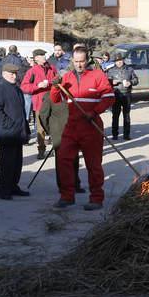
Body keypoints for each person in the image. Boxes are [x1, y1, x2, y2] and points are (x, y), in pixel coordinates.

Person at [50, 47, 114, 210]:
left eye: (82, 61)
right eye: (76, 61)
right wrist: (56, 86)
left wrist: (94, 112)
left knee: (93, 164)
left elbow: (109, 97)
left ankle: (96, 198)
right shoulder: (67, 77)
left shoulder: (97, 76)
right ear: (72, 61)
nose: (79, 64)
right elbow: (56, 99)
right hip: (71, 126)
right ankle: (67, 196)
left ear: (87, 61)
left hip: (91, 126)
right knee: (64, 160)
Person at [0, 63, 31, 200]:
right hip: (7, 134)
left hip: (18, 133)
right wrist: (10, 125)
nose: (14, 76)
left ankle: (13, 186)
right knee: (6, 164)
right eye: (11, 73)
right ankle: (3, 190)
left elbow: (21, 111)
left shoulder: (17, 89)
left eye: (15, 73)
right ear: (4, 74)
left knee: (16, 163)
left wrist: (25, 128)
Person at [39, 91, 85, 195]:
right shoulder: (49, 95)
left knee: (75, 159)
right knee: (61, 161)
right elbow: (43, 115)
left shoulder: (71, 92)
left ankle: (75, 184)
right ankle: (63, 186)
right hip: (59, 132)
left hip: (73, 130)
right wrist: (50, 130)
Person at [21, 49, 56, 159]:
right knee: (40, 129)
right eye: (41, 55)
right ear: (36, 58)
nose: (44, 57)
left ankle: (56, 148)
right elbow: (24, 87)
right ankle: (41, 150)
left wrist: (51, 82)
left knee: (55, 126)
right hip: (40, 104)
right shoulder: (32, 71)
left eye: (44, 55)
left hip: (53, 102)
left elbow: (58, 80)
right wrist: (38, 86)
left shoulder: (52, 68)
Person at [105, 53, 138, 140]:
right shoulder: (110, 70)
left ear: (123, 60)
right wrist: (112, 82)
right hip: (116, 94)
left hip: (127, 94)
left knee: (126, 115)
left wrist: (130, 82)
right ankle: (115, 134)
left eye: (120, 60)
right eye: (117, 61)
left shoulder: (129, 69)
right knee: (115, 115)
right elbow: (105, 82)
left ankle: (126, 134)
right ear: (115, 62)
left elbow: (136, 80)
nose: (119, 62)